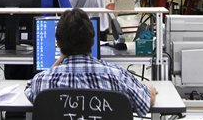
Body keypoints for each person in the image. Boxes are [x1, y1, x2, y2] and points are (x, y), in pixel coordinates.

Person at [24, 8, 156, 118]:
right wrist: (150, 89)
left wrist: (57, 63)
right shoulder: (116, 76)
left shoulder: (42, 81)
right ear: (93, 41)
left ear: (58, 44)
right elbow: (144, 103)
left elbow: (29, 89)